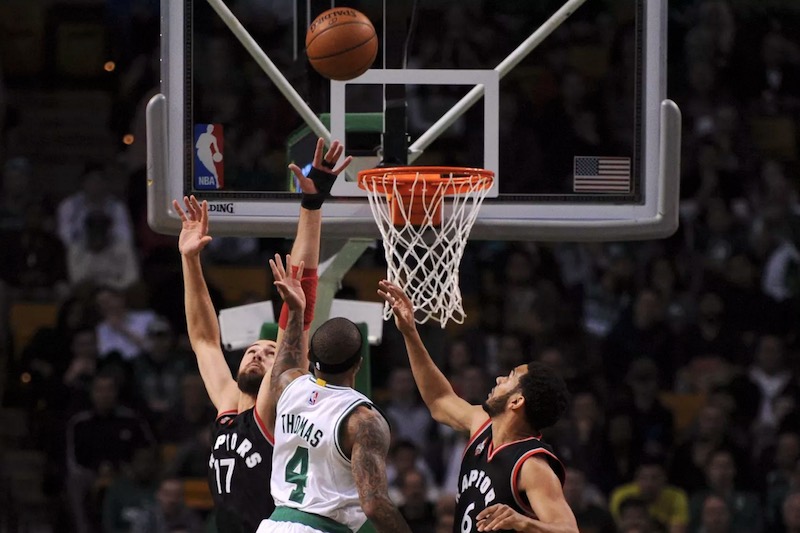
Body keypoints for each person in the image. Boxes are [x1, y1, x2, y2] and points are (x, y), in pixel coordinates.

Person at [176, 137, 351, 532]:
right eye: (253, 349)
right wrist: (190, 260)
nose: (257, 353)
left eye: (269, 351)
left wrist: (311, 207)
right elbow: (204, 338)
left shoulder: (272, 410)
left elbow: (298, 314)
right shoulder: (227, 407)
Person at [377, 280, 578, 533]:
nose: (499, 379)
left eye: (510, 377)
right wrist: (410, 333)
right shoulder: (482, 424)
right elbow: (439, 400)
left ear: (517, 401)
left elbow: (569, 529)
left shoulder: (532, 466)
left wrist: (523, 522)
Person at [257, 254, 412, 533]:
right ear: (358, 364)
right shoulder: (363, 421)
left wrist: (295, 310)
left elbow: (287, 362)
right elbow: (374, 504)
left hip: (273, 525)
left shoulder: (289, 385)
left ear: (310, 356)